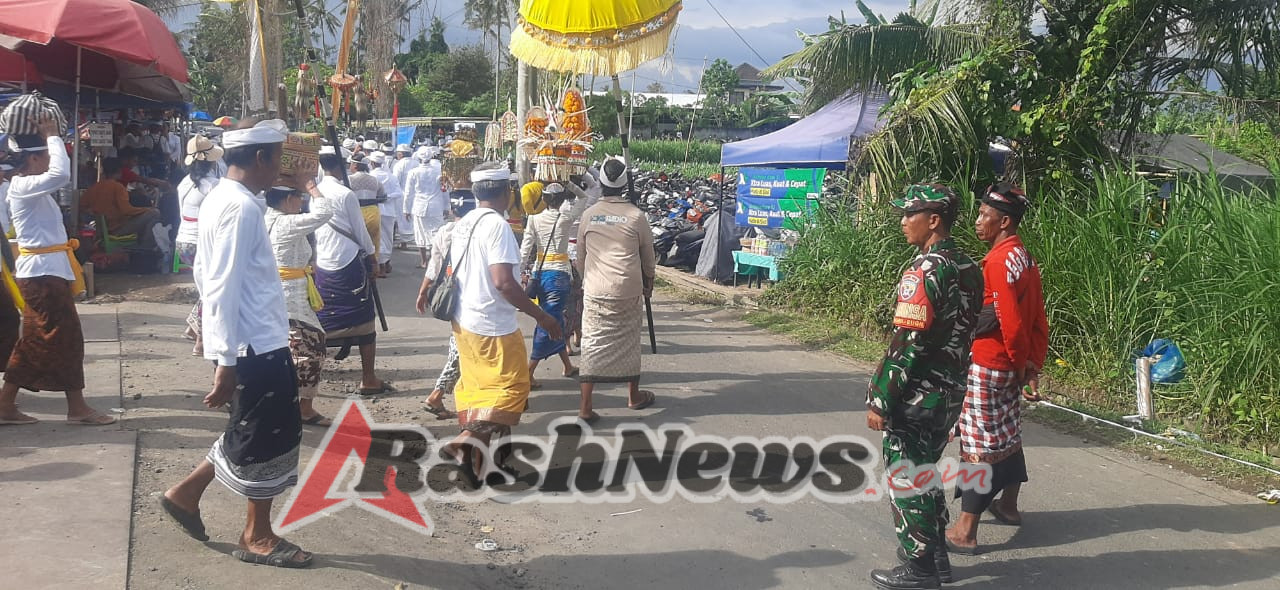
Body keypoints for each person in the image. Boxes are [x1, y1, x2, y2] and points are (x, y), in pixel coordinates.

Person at [160, 119, 314, 567]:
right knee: (266, 438)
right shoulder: (240, 207)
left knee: (249, 429)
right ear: (261, 157)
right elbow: (221, 286)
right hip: (253, 345)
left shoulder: (225, 198)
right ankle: (256, 535)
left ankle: (186, 494)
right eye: (278, 159)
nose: (280, 169)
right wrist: (224, 358)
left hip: (255, 339)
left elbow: (208, 276)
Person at [864, 184, 982, 590]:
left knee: (907, 476)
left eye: (909, 214)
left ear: (933, 220)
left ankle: (920, 568)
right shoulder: (969, 267)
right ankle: (936, 556)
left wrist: (880, 398)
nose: (903, 222)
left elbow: (908, 343)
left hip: (917, 393)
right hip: (950, 392)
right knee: (926, 469)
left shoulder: (925, 270)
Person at [436, 162, 561, 484]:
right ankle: (465, 441)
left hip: (465, 320)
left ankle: (485, 465)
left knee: (479, 393)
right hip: (493, 324)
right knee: (512, 389)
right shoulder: (497, 226)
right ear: (507, 192)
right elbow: (503, 282)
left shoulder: (465, 222)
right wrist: (542, 316)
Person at [945, 182, 1048, 554]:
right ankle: (1008, 505)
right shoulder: (1024, 257)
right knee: (1006, 434)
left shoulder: (999, 261)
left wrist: (1020, 366)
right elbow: (1036, 316)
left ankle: (966, 530)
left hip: (991, 363)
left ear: (1004, 221)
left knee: (979, 444)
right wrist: (1031, 365)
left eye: (984, 215)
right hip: (1010, 364)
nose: (977, 221)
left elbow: (1009, 321)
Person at [0, 114, 114, 426]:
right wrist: (52, 135)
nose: (51, 160)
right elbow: (61, 174)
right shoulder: (23, 186)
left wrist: (50, 139)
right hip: (41, 275)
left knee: (39, 340)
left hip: (45, 273)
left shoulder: (27, 188)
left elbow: (57, 173)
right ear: (33, 159)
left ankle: (8, 404)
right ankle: (76, 408)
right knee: (63, 339)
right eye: (47, 155)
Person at [575, 157, 657, 422]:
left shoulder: (589, 215)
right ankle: (633, 396)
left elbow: (580, 258)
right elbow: (648, 258)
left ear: (600, 183)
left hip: (596, 289)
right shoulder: (636, 216)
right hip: (628, 289)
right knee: (630, 342)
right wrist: (649, 282)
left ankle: (585, 407)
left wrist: (585, 281)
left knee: (592, 344)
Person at [314, 152, 389, 394]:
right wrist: (372, 257)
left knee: (322, 314)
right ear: (342, 166)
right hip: (347, 259)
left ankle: (313, 375)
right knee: (365, 318)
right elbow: (360, 230)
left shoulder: (314, 193)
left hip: (323, 261)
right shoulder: (345, 194)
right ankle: (368, 378)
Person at [264, 183, 336, 427]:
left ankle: (290, 403)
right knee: (311, 349)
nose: (302, 201)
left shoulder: (267, 217)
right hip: (290, 296)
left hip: (281, 293)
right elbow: (325, 212)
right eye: (299, 197)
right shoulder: (285, 222)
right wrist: (312, 187)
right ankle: (303, 408)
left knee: (291, 350)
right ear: (287, 199)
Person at [520, 182, 587, 387]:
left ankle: (567, 366)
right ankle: (528, 372)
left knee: (554, 319)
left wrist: (520, 272)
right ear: (562, 200)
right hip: (559, 275)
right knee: (549, 321)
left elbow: (525, 248)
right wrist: (570, 183)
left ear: (545, 199)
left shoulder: (534, 219)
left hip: (539, 274)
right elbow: (583, 198)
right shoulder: (566, 218)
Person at [175, 136, 225, 356]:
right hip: (202, 243)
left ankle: (193, 328)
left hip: (183, 241)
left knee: (207, 288)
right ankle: (201, 340)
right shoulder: (214, 186)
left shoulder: (184, 183)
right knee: (211, 291)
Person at [414, 204, 460, 420]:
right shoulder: (479, 228)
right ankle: (437, 395)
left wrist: (423, 291)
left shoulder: (445, 231)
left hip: (452, 294)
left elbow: (435, 265)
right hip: (471, 298)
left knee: (461, 346)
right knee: (460, 349)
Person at [81, 157, 163, 253]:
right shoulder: (118, 187)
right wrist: (146, 210)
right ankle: (146, 248)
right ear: (119, 171)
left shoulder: (94, 188)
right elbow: (126, 210)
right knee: (155, 213)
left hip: (102, 230)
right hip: (117, 230)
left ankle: (144, 246)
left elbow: (82, 206)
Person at [404, 146, 447, 269]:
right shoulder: (439, 171)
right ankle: (435, 260)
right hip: (435, 206)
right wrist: (446, 206)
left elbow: (408, 193)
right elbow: (445, 190)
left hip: (419, 206)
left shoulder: (413, 172)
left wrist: (406, 209)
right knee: (436, 234)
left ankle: (424, 261)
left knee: (420, 234)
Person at [347, 153, 386, 276]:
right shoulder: (375, 180)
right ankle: (373, 269)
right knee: (374, 243)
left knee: (356, 242)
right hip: (373, 213)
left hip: (356, 212)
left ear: (355, 165)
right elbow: (383, 196)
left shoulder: (348, 180)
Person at [367, 151, 402, 275]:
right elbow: (399, 193)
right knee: (387, 238)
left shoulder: (370, 176)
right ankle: (385, 262)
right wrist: (387, 197)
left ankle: (382, 265)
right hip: (388, 211)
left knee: (376, 238)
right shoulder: (391, 176)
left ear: (372, 163)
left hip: (374, 210)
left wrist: (381, 198)